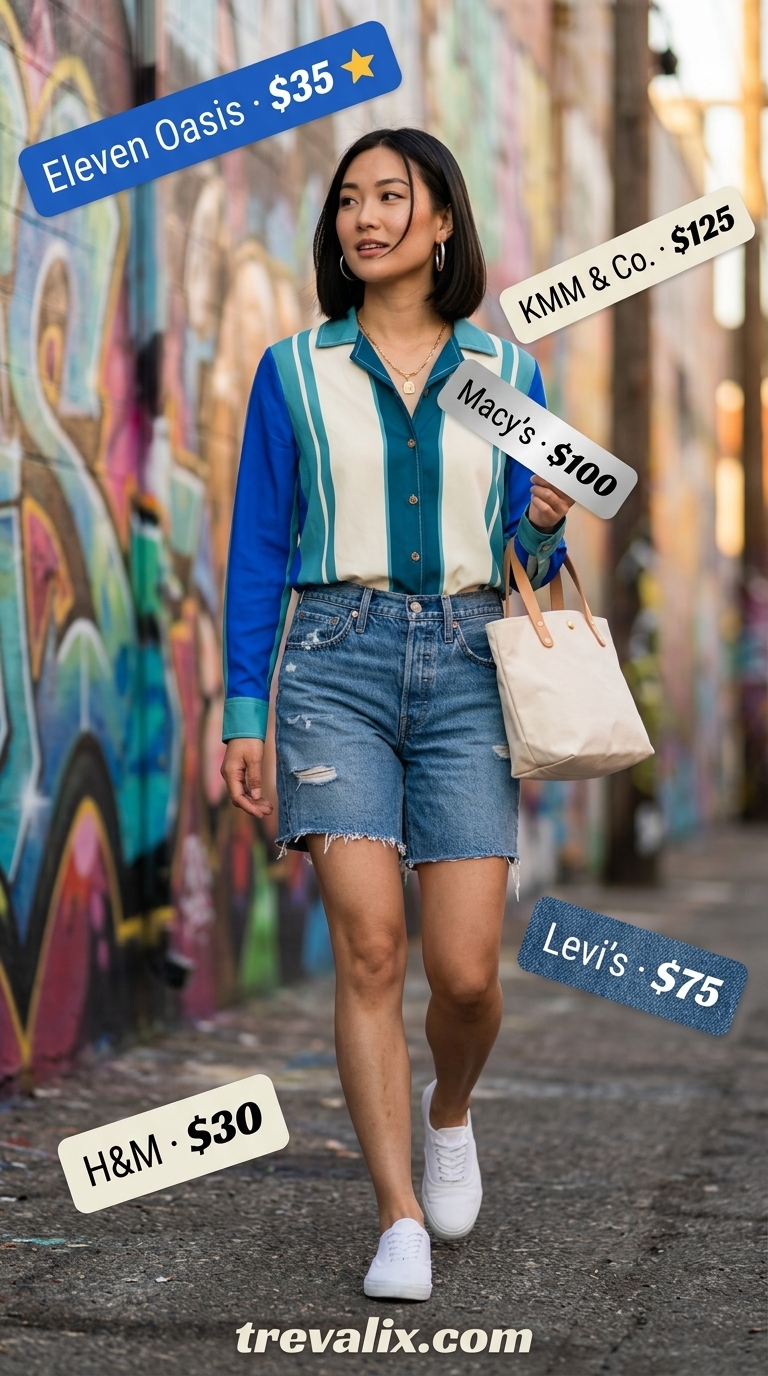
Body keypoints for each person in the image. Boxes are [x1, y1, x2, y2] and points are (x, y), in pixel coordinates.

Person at [221, 128, 573, 1301]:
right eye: (348, 201)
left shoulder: (506, 374)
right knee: (370, 943)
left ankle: (450, 1109)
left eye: (390, 197)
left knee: (464, 971)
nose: (364, 218)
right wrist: (241, 706)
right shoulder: (293, 370)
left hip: (470, 661)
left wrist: (546, 523)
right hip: (334, 660)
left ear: (442, 223)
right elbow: (258, 548)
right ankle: (397, 1216)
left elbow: (525, 552)